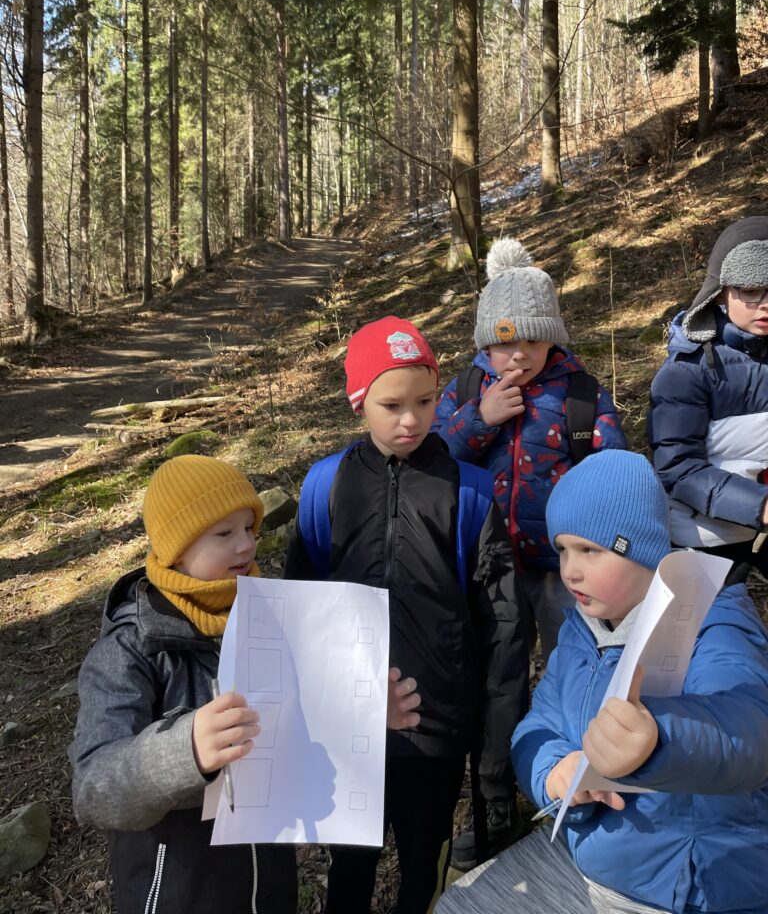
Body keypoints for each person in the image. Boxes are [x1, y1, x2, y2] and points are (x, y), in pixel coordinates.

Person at [69, 454, 421, 914]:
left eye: (250, 529)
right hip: (178, 892)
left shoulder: (270, 617)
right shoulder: (131, 649)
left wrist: (365, 714)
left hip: (270, 884)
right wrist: (185, 751)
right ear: (176, 547)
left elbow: (304, 716)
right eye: (224, 533)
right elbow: (93, 788)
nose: (246, 545)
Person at [436, 449, 768, 914]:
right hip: (596, 858)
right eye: (563, 550)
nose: (569, 570)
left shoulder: (711, 622)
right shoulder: (581, 629)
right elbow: (539, 724)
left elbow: (749, 731)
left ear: (643, 549)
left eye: (590, 550)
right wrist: (554, 770)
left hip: (694, 887)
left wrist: (659, 740)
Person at [283, 316, 528, 914]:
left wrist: (495, 746)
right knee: (349, 868)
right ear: (359, 403)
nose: (411, 420)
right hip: (349, 727)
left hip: (436, 728)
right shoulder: (325, 487)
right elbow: (298, 610)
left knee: (425, 865)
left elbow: (503, 626)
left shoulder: (470, 493)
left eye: (424, 401)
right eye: (391, 405)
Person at [433, 237, 626, 868]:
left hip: (565, 572)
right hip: (488, 570)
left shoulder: (580, 395)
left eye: (532, 340)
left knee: (581, 672)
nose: (517, 354)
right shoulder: (466, 389)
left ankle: (587, 784)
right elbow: (430, 458)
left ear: (553, 339)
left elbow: (614, 472)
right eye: (503, 342)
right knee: (498, 683)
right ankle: (496, 799)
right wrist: (478, 419)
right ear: (484, 343)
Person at [649, 214, 768, 583]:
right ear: (720, 292)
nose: (765, 304)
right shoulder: (686, 370)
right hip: (705, 535)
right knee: (717, 614)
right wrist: (761, 505)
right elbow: (678, 468)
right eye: (751, 290)